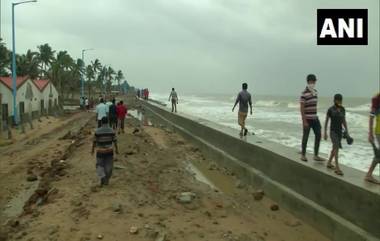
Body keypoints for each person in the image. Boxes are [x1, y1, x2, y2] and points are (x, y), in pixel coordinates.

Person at [300, 74, 324, 162]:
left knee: (318, 134)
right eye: (313, 81)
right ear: (309, 81)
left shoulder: (315, 92)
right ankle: (303, 155)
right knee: (305, 136)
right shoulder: (304, 93)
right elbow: (302, 108)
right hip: (307, 118)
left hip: (315, 118)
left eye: (315, 81)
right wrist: (304, 121)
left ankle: (316, 155)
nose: (314, 83)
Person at [324, 94, 349, 176]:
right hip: (333, 132)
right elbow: (327, 121)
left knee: (334, 147)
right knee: (336, 147)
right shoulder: (330, 110)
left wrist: (347, 131)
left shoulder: (342, 109)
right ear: (334, 100)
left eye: (340, 100)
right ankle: (337, 168)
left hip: (339, 132)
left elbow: (343, 120)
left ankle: (329, 163)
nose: (339, 102)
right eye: (338, 100)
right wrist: (325, 132)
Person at [91, 117, 119, 186]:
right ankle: (107, 179)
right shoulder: (112, 130)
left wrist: (92, 150)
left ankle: (102, 178)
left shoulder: (97, 131)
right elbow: (115, 141)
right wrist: (117, 149)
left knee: (99, 166)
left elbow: (94, 141)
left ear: (101, 122)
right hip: (109, 151)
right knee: (109, 166)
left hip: (100, 152)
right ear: (108, 122)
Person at [365, 93, 380, 184]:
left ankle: (369, 174)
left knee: (379, 155)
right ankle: (369, 175)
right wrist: (370, 133)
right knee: (378, 155)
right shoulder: (377, 98)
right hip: (379, 131)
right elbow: (371, 117)